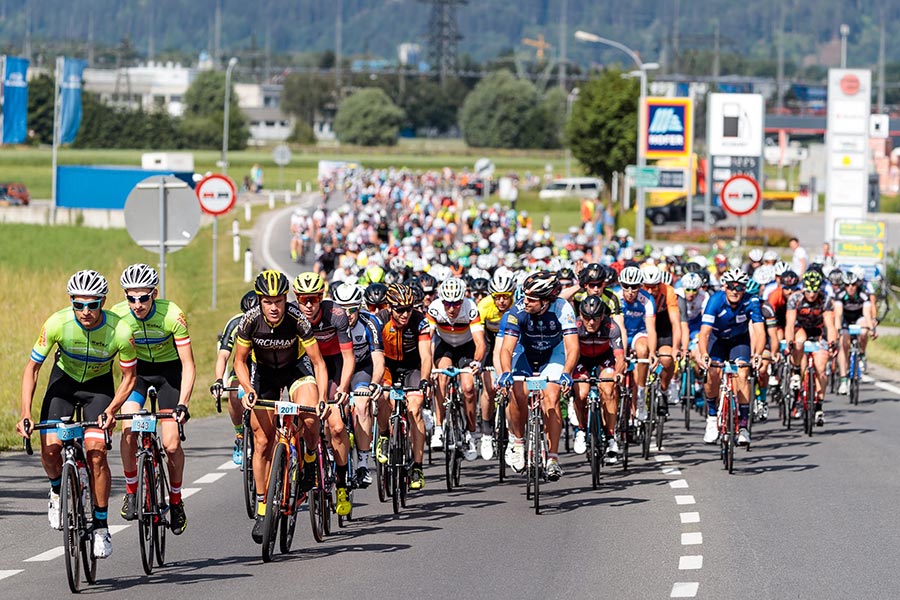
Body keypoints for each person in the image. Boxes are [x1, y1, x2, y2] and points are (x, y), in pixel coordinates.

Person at [17, 270, 137, 559]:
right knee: (50, 451)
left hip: (99, 389)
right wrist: (25, 412)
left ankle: (100, 526)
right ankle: (57, 491)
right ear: (71, 302)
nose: (85, 311)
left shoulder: (120, 330)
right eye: (78, 304)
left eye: (92, 304)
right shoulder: (57, 323)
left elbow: (129, 377)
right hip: (64, 384)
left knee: (96, 452)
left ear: (103, 302)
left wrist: (111, 411)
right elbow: (32, 368)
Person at [233, 270, 328, 544]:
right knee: (262, 442)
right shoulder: (249, 321)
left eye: (279, 301)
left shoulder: (298, 319)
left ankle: (309, 459)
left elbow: (319, 363)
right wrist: (249, 390)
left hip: (295, 370)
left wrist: (321, 398)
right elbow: (239, 362)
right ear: (260, 301)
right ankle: (263, 508)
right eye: (268, 301)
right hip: (263, 374)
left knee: (310, 414)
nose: (274, 307)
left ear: (286, 299)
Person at [113, 264, 195, 536]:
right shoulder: (117, 314)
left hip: (169, 374)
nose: (137, 305)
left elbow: (189, 365)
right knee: (128, 431)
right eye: (131, 298)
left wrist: (183, 403)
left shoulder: (172, 314)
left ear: (154, 294)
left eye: (143, 298)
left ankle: (175, 500)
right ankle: (131, 490)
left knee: (171, 445)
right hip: (138, 375)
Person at [498, 271, 579, 481]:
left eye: (532, 299)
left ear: (546, 301)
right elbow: (507, 349)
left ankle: (552, 458)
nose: (526, 302)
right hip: (526, 353)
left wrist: (567, 373)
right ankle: (517, 441)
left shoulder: (563, 308)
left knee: (551, 398)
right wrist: (506, 372)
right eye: (525, 297)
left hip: (554, 354)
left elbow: (572, 347)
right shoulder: (517, 310)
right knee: (517, 393)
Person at [292, 272, 355, 516]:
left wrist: (343, 388)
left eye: (314, 299)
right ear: (296, 298)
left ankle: (341, 485)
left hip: (334, 364)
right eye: (303, 299)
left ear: (321, 297)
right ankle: (301, 469)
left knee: (337, 427)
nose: (309, 304)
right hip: (304, 364)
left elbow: (348, 357)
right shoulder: (292, 315)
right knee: (298, 420)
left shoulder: (336, 315)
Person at [374, 283, 433, 490]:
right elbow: (376, 358)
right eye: (399, 310)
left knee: (415, 408)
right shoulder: (379, 320)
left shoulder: (419, 321)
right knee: (382, 399)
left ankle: (417, 466)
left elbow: (426, 356)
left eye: (409, 308)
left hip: (412, 367)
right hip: (387, 367)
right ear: (389, 307)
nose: (405, 314)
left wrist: (425, 379)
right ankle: (383, 434)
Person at [697, 268, 765, 446]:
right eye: (731, 287)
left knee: (742, 373)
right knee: (712, 372)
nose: (735, 291)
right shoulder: (715, 300)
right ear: (725, 287)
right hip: (717, 339)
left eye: (740, 287)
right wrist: (704, 354)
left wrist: (757, 353)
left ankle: (743, 425)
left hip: (739, 341)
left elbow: (759, 331)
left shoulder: (752, 301)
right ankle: (712, 417)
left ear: (744, 289)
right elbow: (704, 333)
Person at [427, 278, 486, 461]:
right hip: (444, 346)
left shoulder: (470, 308)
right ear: (441, 301)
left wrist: (476, 362)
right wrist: (428, 366)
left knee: (468, 388)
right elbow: (427, 340)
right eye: (448, 304)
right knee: (441, 378)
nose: (451, 309)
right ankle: (438, 428)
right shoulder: (435, 308)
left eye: (456, 304)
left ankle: (471, 432)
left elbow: (480, 343)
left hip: (466, 348)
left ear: (463, 300)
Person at [332, 283, 385, 486]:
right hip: (338, 369)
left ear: (360, 307)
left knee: (362, 405)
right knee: (332, 410)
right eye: (342, 309)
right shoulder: (331, 322)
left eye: (352, 309)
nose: (347, 314)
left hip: (362, 369)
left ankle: (363, 463)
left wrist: (373, 384)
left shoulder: (370, 322)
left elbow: (378, 360)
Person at [572, 295, 626, 463]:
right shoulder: (575, 326)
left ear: (602, 316)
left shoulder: (611, 326)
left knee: (609, 388)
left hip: (604, 358)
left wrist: (618, 372)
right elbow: (569, 353)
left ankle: (610, 436)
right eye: (586, 317)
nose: (591, 322)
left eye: (595, 317)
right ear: (581, 315)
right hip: (581, 359)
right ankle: (581, 429)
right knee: (581, 392)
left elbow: (620, 356)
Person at [210, 290, 258, 466]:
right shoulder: (236, 324)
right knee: (234, 393)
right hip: (242, 366)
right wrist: (218, 380)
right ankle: (239, 435)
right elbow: (223, 355)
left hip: (264, 368)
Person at [785, 270, 837, 426]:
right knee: (798, 342)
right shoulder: (795, 298)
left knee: (821, 369)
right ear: (803, 288)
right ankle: (795, 371)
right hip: (800, 328)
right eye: (808, 290)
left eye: (815, 291)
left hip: (818, 331)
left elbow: (830, 325)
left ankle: (819, 406)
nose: (812, 294)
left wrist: (833, 341)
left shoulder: (825, 300)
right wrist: (789, 341)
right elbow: (789, 323)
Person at [834, 270, 873, 394]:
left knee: (863, 331)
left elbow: (867, 314)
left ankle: (861, 354)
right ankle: (844, 379)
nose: (850, 288)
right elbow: (838, 315)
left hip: (858, 318)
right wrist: (837, 330)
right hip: (845, 319)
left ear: (857, 284)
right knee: (843, 343)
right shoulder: (839, 295)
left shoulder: (863, 295)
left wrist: (872, 328)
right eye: (847, 285)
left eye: (853, 285)